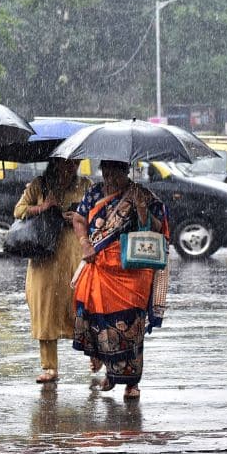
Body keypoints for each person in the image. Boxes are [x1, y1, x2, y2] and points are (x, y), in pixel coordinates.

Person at [71, 160, 170, 400]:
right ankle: (110, 373)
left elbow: (159, 229)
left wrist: (142, 210)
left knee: (131, 327)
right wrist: (85, 244)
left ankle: (131, 382)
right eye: (105, 171)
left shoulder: (143, 195)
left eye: (115, 172)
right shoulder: (94, 193)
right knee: (101, 324)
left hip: (132, 272)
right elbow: (78, 219)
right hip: (99, 267)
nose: (109, 177)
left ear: (126, 171)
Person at [13, 158, 91, 383]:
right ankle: (49, 367)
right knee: (45, 309)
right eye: (66, 163)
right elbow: (18, 210)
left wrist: (77, 218)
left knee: (83, 305)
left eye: (75, 162)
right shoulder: (39, 184)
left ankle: (96, 356)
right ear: (55, 163)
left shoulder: (85, 186)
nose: (71, 167)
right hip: (44, 257)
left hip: (74, 254)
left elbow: (97, 214)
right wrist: (43, 207)